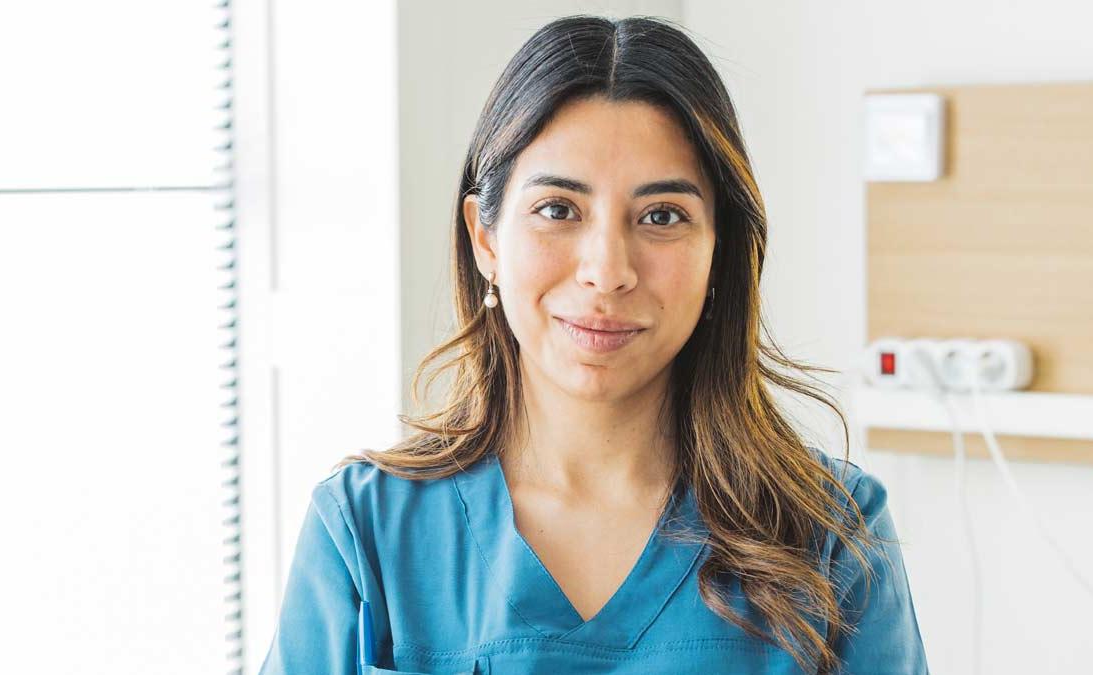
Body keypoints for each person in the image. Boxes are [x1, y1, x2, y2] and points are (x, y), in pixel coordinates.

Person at [257, 15, 927, 675]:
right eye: (558, 210)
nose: (607, 269)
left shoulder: (833, 534)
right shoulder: (365, 533)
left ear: (719, 250)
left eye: (662, 216)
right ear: (485, 239)